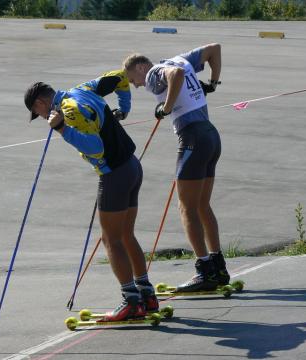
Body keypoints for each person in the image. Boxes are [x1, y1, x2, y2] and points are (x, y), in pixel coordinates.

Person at [24, 70, 158, 321]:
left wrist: (63, 128)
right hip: (132, 166)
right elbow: (120, 77)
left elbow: (96, 148)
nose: (42, 117)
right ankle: (147, 295)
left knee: (111, 240)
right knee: (126, 235)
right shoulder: (82, 89)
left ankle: (131, 301)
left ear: (41, 103)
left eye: (38, 112)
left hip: (114, 175)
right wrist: (124, 108)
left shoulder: (69, 110)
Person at [122, 44, 230, 292]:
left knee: (186, 207)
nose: (137, 85)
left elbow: (175, 76)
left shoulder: (153, 73)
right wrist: (212, 83)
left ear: (140, 67)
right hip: (211, 136)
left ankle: (204, 270)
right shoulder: (181, 59)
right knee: (202, 205)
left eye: (132, 79)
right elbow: (214, 48)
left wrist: (167, 108)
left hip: (193, 138)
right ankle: (218, 266)